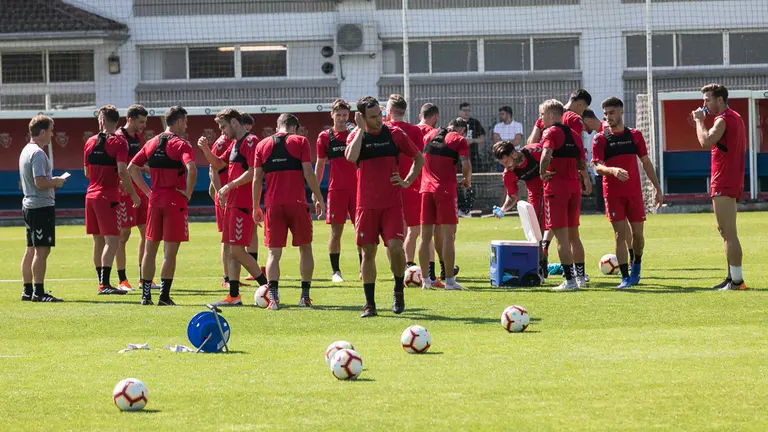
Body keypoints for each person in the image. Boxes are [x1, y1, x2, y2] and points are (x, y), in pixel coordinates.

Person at [345, 96, 424, 318]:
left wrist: (408, 181)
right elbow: (351, 157)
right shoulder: (356, 136)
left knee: (396, 248)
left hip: (391, 205)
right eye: (372, 117)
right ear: (361, 117)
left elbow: (419, 158)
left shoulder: (394, 134)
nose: (379, 120)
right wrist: (361, 130)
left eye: (379, 115)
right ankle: (369, 304)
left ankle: (398, 290)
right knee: (368, 252)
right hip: (366, 207)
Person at [252, 113, 325, 309]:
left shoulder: (262, 145)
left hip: (272, 205)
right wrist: (319, 197)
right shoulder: (300, 141)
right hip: (297, 203)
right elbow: (308, 172)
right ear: (295, 128)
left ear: (278, 127)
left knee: (273, 254)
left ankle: (274, 299)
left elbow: (257, 178)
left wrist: (254, 206)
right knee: (305, 248)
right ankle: (304, 297)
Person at [198, 109, 269, 306]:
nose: (222, 131)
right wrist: (205, 150)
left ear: (235, 123)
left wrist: (228, 186)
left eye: (223, 126)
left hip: (242, 204)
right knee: (230, 250)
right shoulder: (236, 144)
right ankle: (234, 296)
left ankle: (269, 289)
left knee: (237, 251)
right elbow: (219, 164)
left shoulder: (250, 141)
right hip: (232, 203)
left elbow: (254, 172)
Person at [128, 106, 197, 306]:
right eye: (185, 122)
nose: (186, 126)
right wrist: (189, 192)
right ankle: (164, 296)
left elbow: (133, 168)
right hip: (175, 200)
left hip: (155, 200)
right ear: (178, 122)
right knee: (170, 252)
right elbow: (191, 169)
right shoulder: (181, 144)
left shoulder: (151, 142)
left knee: (150, 249)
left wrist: (148, 192)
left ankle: (145, 296)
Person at [592, 97, 663, 288]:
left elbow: (646, 163)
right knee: (619, 235)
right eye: (605, 114)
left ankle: (637, 264)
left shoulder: (635, 135)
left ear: (622, 112)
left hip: (634, 193)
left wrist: (657, 188)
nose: (608, 117)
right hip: (613, 194)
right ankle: (625, 278)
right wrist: (612, 170)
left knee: (638, 235)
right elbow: (598, 166)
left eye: (612, 113)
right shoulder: (600, 138)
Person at [692, 83, 747, 290]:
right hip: (730, 179)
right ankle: (731, 277)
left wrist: (699, 121)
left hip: (724, 181)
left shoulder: (723, 119)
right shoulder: (735, 117)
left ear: (720, 100)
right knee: (725, 231)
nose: (704, 104)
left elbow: (705, 141)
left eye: (707, 100)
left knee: (729, 232)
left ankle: (738, 281)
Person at [84, 105, 140, 295]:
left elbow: (86, 172)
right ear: (117, 121)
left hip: (90, 195)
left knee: (98, 241)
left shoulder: (90, 142)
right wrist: (132, 193)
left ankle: (101, 281)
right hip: (108, 196)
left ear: (102, 120)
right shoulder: (119, 142)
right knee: (113, 241)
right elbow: (123, 170)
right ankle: (105, 284)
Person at [538, 99, 591, 291]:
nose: (541, 119)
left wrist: (542, 172)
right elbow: (582, 163)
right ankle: (581, 279)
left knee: (561, 238)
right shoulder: (575, 135)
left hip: (556, 189)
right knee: (574, 236)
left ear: (551, 115)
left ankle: (569, 281)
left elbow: (545, 156)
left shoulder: (550, 132)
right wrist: (585, 180)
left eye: (542, 115)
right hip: (573, 187)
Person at [419, 118, 471, 291]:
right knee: (449, 236)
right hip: (446, 191)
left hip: (426, 189)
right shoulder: (459, 139)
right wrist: (467, 180)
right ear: (462, 129)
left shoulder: (429, 134)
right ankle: (449, 280)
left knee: (425, 237)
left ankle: (426, 280)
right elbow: (466, 164)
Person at [19, 115, 67, 302]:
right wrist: (56, 182)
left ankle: (27, 290)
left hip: (30, 205)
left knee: (31, 248)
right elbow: (39, 182)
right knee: (42, 250)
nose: (52, 134)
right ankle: (38, 292)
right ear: (42, 132)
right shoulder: (38, 153)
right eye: (51, 130)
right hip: (40, 206)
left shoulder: (26, 150)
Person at [314, 99, 359, 283]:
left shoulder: (355, 134)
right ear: (332, 115)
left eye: (345, 115)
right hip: (336, 190)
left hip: (357, 189)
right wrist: (316, 192)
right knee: (335, 232)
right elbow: (319, 164)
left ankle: (364, 268)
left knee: (362, 230)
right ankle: (336, 272)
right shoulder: (325, 137)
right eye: (338, 115)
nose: (341, 118)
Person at [384, 94, 425, 276]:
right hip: (411, 185)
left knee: (392, 234)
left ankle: (396, 272)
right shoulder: (415, 131)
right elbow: (420, 158)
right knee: (414, 229)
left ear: (389, 110)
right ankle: (409, 267)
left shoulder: (383, 129)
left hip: (388, 185)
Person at [114, 105, 151, 291]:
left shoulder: (137, 137)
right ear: (130, 119)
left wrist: (145, 168)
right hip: (124, 192)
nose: (143, 125)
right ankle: (122, 280)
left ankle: (145, 278)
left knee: (147, 233)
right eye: (141, 122)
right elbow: (119, 166)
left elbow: (135, 162)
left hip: (140, 189)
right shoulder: (118, 138)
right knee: (123, 234)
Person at [458, 102, 486, 171]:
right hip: (458, 156)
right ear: (459, 111)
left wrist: (473, 140)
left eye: (468, 110)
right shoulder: (455, 123)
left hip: (473, 155)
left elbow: (482, 139)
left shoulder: (475, 123)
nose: (466, 112)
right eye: (464, 110)